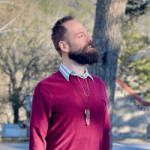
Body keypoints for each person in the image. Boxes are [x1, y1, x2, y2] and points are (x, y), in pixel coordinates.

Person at [29, 16, 110, 150]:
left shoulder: (99, 85)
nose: (89, 38)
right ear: (64, 46)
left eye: (87, 33)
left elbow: (105, 134)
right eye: (81, 35)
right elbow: (37, 141)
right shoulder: (46, 88)